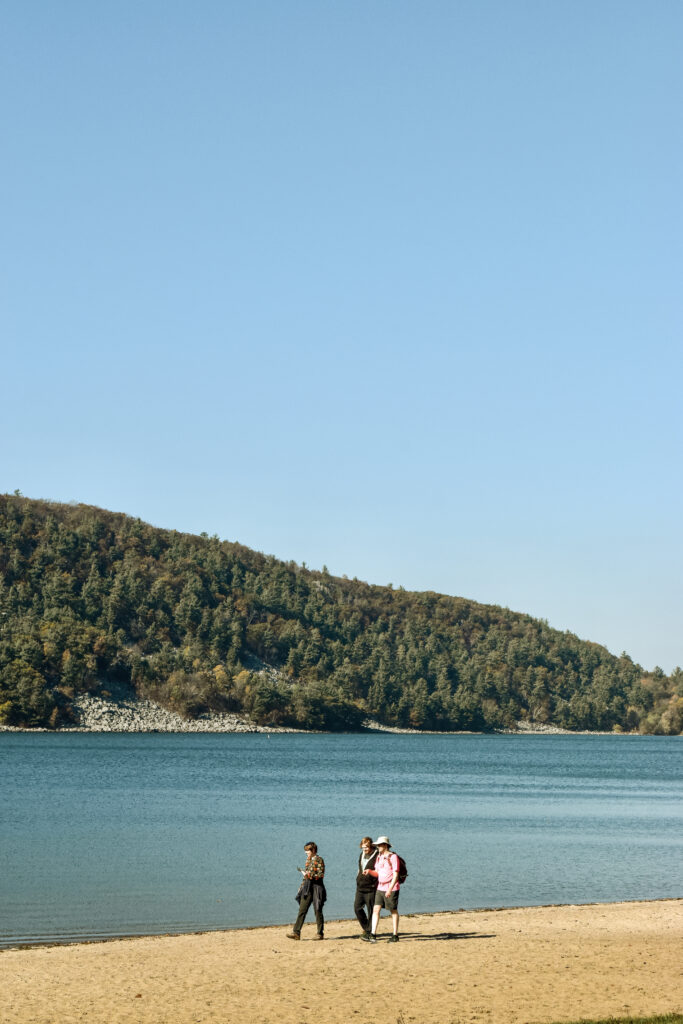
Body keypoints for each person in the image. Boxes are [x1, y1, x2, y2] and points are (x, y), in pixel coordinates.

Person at [361, 835, 400, 943]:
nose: (377, 847)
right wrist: (369, 871)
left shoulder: (393, 857)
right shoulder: (379, 857)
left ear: (385, 845)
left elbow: (395, 875)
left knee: (393, 910)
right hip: (380, 887)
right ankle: (373, 934)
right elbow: (377, 873)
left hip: (391, 887)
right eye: (377, 845)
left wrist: (390, 889)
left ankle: (395, 935)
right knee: (376, 909)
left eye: (379, 845)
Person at [287, 841, 326, 940]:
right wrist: (301, 886)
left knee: (318, 910)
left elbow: (320, 875)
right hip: (307, 887)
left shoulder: (319, 860)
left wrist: (308, 875)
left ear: (313, 850)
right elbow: (307, 876)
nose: (306, 853)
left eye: (307, 851)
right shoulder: (308, 860)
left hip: (317, 887)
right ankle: (296, 932)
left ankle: (320, 933)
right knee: (302, 909)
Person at [354, 836, 378, 935]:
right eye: (363, 847)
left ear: (371, 846)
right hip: (360, 886)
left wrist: (370, 873)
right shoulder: (361, 854)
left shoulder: (377, 856)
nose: (365, 849)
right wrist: (357, 877)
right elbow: (360, 868)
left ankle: (369, 931)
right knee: (357, 908)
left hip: (371, 887)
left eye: (366, 847)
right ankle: (366, 927)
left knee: (371, 910)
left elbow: (379, 871)